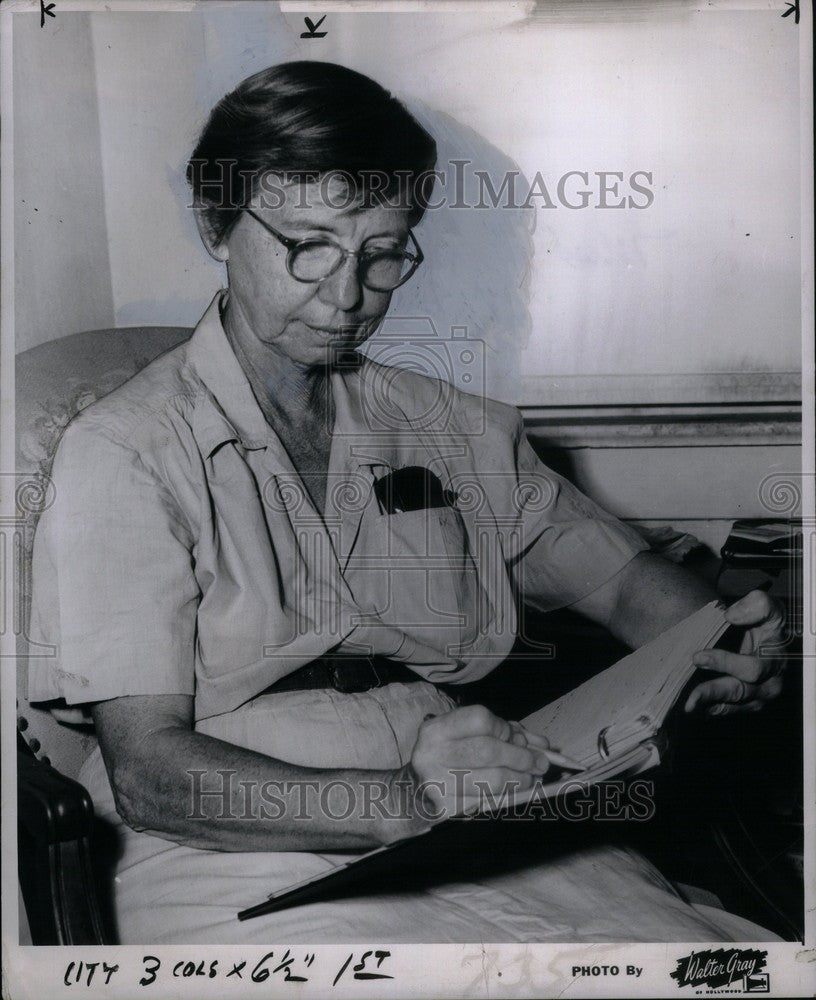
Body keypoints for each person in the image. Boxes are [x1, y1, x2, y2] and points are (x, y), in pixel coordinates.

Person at [28, 61, 786, 944]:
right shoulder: (126, 451)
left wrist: (716, 641)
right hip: (231, 841)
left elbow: (621, 583)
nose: (346, 298)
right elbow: (154, 773)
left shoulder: (448, 427)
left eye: (382, 255)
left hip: (480, 806)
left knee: (700, 957)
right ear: (216, 222)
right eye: (306, 244)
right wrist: (403, 800)